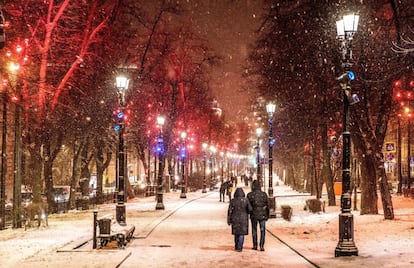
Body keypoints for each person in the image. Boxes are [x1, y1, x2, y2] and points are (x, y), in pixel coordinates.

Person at [227, 187, 252, 252]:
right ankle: (240, 247)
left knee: (236, 233)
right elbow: (250, 209)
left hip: (235, 218)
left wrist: (229, 220)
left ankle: (236, 245)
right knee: (242, 233)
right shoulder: (245, 200)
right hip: (243, 218)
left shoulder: (233, 200)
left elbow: (229, 211)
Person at [247, 180, 269, 251]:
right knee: (262, 230)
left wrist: (249, 212)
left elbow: (248, 206)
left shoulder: (250, 195)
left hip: (254, 215)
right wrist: (267, 215)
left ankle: (255, 244)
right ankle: (262, 245)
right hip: (262, 215)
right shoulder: (264, 194)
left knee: (254, 230)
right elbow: (268, 206)